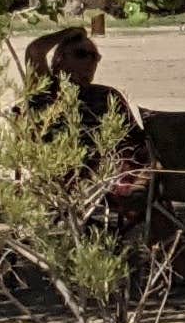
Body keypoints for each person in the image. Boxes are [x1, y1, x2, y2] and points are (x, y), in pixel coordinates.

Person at [20, 25, 154, 215]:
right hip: (68, 169)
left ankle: (163, 240)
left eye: (95, 56)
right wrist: (69, 33)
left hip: (113, 168)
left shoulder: (106, 95)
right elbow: (35, 50)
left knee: (157, 157)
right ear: (60, 60)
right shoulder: (45, 91)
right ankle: (137, 192)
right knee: (146, 181)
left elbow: (135, 139)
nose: (91, 61)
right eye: (82, 54)